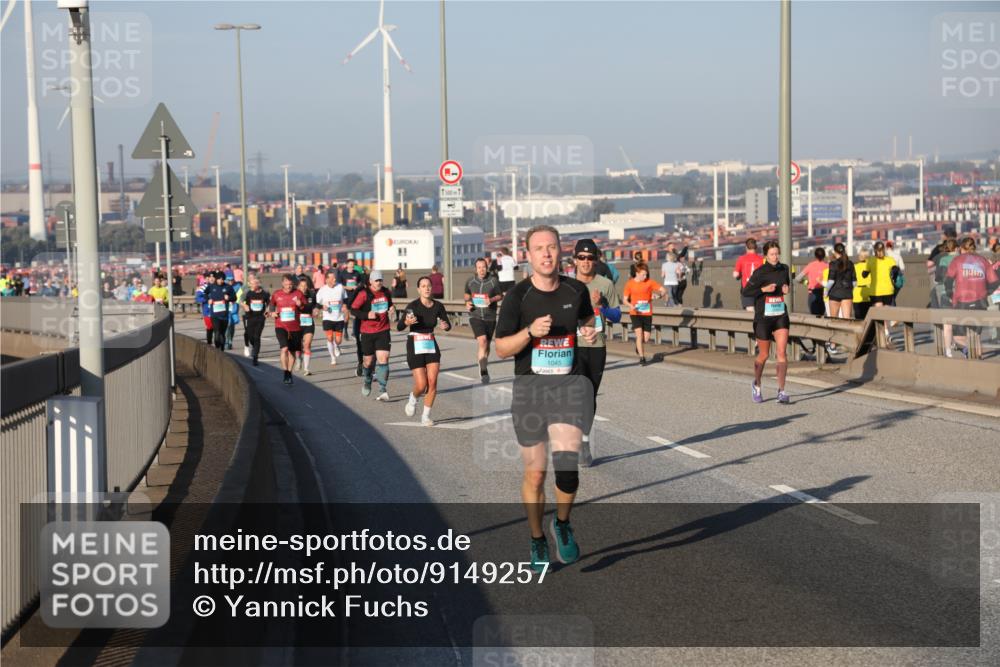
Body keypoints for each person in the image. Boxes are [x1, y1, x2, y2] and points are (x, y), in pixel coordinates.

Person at [495, 225, 597, 573]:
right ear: (528, 255)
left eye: (551, 247)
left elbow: (587, 318)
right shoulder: (517, 297)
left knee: (567, 470)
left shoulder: (576, 289)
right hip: (530, 393)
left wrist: (588, 329)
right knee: (536, 473)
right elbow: (501, 348)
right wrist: (529, 332)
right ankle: (537, 538)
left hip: (567, 389)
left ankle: (562, 523)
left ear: (560, 251)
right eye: (539, 248)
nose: (546, 254)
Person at [571, 238, 621, 467]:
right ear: (574, 260)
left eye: (590, 258)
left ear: (596, 260)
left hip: (596, 347)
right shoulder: (566, 285)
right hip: (572, 347)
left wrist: (601, 306)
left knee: (589, 396)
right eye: (581, 257)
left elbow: (617, 316)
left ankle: (583, 441)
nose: (585, 261)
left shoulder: (605, 284)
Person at [398, 276, 452, 426]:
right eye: (423, 286)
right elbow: (399, 327)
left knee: (432, 382)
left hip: (429, 342)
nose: (426, 288)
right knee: (421, 385)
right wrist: (406, 322)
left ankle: (426, 416)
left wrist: (445, 326)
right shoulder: (413, 306)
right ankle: (413, 398)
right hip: (415, 342)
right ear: (418, 289)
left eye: (428, 285)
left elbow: (447, 324)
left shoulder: (438, 306)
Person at [742, 241, 791, 404]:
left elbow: (786, 285)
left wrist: (786, 289)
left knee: (782, 352)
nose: (775, 257)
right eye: (772, 254)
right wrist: (763, 289)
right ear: (766, 255)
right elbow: (746, 291)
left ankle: (782, 391)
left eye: (777, 253)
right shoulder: (760, 272)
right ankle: (756, 384)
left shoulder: (784, 269)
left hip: (780, 315)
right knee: (764, 355)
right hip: (763, 317)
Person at [945, 237, 1000, 358]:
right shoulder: (983, 260)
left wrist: (951, 295)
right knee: (977, 334)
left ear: (961, 248)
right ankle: (979, 358)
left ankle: (970, 350)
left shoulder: (957, 260)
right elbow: (995, 282)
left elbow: (947, 282)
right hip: (981, 302)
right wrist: (986, 292)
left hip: (962, 302)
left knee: (958, 336)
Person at [350, 270, 395, 400]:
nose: (379, 283)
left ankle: (382, 389)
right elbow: (353, 309)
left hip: (383, 330)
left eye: (381, 280)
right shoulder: (364, 294)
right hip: (367, 332)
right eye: (376, 280)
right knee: (368, 362)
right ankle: (368, 379)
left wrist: (392, 308)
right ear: (370, 282)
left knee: (383, 359)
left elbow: (389, 304)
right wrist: (366, 315)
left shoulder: (386, 292)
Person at [464, 257, 503, 383]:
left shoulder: (493, 281)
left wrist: (491, 300)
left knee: (487, 345)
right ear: (476, 269)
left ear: (487, 268)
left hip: (490, 317)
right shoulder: (470, 281)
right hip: (475, 316)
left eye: (484, 267)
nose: (481, 270)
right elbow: (466, 294)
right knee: (483, 340)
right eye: (479, 267)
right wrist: (467, 302)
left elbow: (500, 295)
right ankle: (483, 370)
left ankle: (483, 363)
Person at [622, 261, 665, 366]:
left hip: (647, 313)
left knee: (645, 338)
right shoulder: (630, 283)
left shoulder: (649, 282)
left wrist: (659, 295)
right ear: (637, 273)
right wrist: (630, 305)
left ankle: (638, 346)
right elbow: (624, 300)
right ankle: (642, 358)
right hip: (635, 313)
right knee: (639, 334)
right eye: (643, 274)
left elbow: (663, 290)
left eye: (646, 274)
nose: (645, 276)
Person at [269, 274, 306, 385]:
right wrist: (272, 312)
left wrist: (301, 305)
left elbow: (305, 307)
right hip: (281, 326)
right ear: (282, 283)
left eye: (290, 284)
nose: (288, 286)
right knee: (284, 348)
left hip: (295, 327)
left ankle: (289, 372)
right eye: (286, 284)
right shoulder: (276, 294)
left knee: (292, 352)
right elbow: (271, 305)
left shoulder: (298, 293)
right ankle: (285, 372)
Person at [341, 259, 366, 374]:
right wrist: (348, 288)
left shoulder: (357, 274)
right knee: (347, 315)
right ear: (347, 265)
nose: (351, 266)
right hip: (347, 297)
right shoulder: (343, 274)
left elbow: (360, 282)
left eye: (353, 265)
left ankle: (353, 332)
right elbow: (340, 285)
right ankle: (346, 331)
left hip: (355, 296)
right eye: (350, 264)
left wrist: (357, 286)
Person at [316, 271, 347, 365]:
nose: (335, 279)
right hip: (327, 317)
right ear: (327, 279)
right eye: (332, 278)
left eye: (335, 278)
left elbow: (345, 298)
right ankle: (332, 357)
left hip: (339, 317)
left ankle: (336, 346)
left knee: (338, 340)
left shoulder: (340, 287)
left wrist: (344, 305)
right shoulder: (322, 290)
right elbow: (317, 303)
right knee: (329, 337)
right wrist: (322, 307)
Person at [241, 274, 269, 366]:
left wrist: (268, 310)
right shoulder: (248, 292)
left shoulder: (265, 293)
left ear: (259, 284)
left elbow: (269, 303)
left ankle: (255, 356)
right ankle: (252, 346)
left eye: (255, 283)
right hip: (250, 317)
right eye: (252, 284)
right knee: (250, 336)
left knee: (257, 337)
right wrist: (244, 305)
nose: (253, 285)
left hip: (260, 318)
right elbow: (240, 300)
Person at [927, 227, 958, 308]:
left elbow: (929, 264)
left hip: (942, 282)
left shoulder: (939, 248)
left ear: (945, 236)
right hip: (959, 284)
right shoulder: (960, 249)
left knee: (937, 299)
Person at [205, 271, 236, 352]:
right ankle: (217, 348)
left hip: (224, 315)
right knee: (217, 332)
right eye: (219, 279)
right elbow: (205, 294)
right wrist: (208, 299)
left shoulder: (228, 287)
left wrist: (229, 298)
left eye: (222, 279)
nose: (220, 281)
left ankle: (221, 350)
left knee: (222, 333)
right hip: (214, 315)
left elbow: (234, 298)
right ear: (216, 279)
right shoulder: (211, 286)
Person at [825, 243, 856, 320]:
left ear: (835, 252)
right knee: (847, 319)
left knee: (833, 320)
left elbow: (831, 281)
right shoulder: (850, 263)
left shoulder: (833, 264)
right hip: (847, 293)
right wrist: (850, 289)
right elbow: (854, 282)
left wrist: (826, 291)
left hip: (835, 293)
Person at [733, 238, 764, 312]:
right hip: (759, 288)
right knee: (760, 310)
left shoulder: (741, 258)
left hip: (747, 288)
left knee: (750, 310)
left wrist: (740, 274)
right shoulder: (762, 259)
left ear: (746, 247)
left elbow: (735, 274)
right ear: (756, 247)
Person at [295, 277, 318, 375]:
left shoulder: (312, 294)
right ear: (298, 286)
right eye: (301, 286)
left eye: (305, 286)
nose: (303, 288)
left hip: (308, 322)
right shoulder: (294, 295)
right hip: (297, 323)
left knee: (307, 345)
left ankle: (306, 369)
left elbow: (315, 305)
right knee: (298, 345)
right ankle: (298, 358)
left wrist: (316, 310)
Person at [798, 247, 828, 317]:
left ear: (815, 255)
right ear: (824, 255)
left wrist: (807, 282)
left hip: (812, 293)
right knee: (822, 316)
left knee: (814, 317)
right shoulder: (827, 266)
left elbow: (798, 278)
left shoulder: (810, 265)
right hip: (824, 293)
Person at [195, 272, 214, 345]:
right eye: (209, 277)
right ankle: (209, 343)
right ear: (206, 279)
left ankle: (219, 345)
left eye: (213, 277)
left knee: (218, 328)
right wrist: (206, 300)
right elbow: (197, 298)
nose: (211, 279)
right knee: (210, 327)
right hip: (207, 311)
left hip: (217, 311)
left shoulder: (218, 286)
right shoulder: (203, 288)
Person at [853, 249, 872, 321]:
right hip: (869, 292)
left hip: (857, 293)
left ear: (859, 256)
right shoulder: (871, 267)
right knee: (869, 317)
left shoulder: (854, 267)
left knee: (858, 318)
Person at [225, 278, 243, 351]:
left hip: (234, 309)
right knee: (228, 325)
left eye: (232, 280)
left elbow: (240, 297)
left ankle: (230, 341)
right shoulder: (223, 287)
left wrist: (234, 300)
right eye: (229, 280)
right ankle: (226, 342)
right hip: (226, 309)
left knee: (232, 326)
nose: (230, 281)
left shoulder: (238, 287)